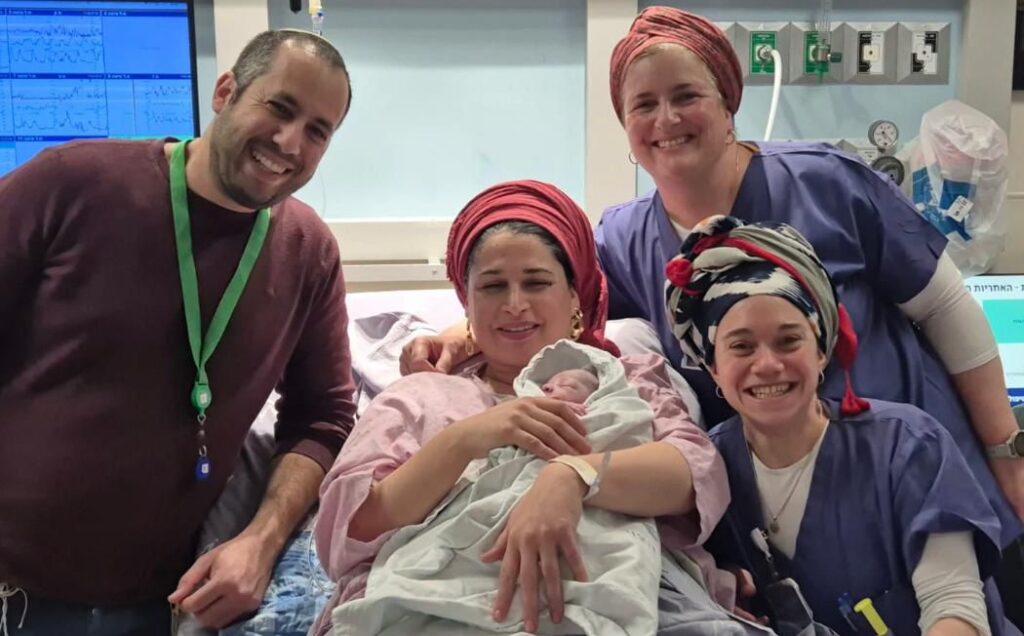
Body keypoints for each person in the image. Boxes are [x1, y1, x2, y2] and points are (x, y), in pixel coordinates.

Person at [401, 6, 1024, 552]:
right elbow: (557, 301)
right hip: (774, 502)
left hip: (911, 460)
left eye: (685, 95)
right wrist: (461, 332)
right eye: (643, 104)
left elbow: (945, 307)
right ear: (625, 126)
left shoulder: (827, 182)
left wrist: (1005, 450)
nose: (666, 118)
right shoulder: (625, 239)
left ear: (728, 103)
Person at [0, 30, 356, 634]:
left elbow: (323, 418)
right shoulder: (70, 183)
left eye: (318, 131)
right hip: (14, 585)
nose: (290, 143)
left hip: (163, 601)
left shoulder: (308, 252)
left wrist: (261, 541)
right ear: (225, 91)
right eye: (279, 107)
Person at [311, 181, 743, 636]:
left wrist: (574, 476)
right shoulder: (417, 396)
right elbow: (349, 530)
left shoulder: (626, 378)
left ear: (574, 296)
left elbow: (695, 476)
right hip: (432, 606)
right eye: (493, 286)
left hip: (621, 599)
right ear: (466, 302)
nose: (515, 305)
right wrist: (466, 439)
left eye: (536, 283)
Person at [665, 215, 1019, 636]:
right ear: (713, 368)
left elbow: (954, 603)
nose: (768, 365)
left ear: (822, 350)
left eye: (788, 340)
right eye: (741, 346)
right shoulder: (706, 473)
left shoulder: (906, 446)